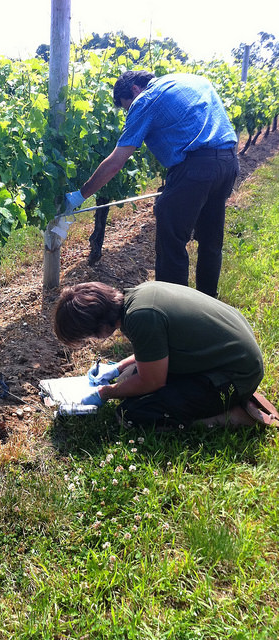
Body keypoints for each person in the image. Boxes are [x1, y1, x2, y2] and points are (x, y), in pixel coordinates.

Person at [63, 71, 239, 298]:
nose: (130, 112)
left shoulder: (145, 100)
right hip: (228, 163)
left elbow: (116, 162)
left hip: (195, 169)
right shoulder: (191, 79)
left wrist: (80, 195)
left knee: (171, 244)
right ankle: (209, 303)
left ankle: (174, 312)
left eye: (127, 107)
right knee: (210, 240)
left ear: (135, 89)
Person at [53, 280, 278, 429]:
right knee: (126, 380)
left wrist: (105, 392)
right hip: (227, 359)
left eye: (89, 336)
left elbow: (152, 380)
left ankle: (233, 415)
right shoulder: (137, 297)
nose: (94, 340)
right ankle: (217, 399)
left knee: (133, 414)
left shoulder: (142, 318)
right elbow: (156, 354)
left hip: (235, 375)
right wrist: (118, 367)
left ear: (99, 327)